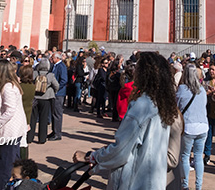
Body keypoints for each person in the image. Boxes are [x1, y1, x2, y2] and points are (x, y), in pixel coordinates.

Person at [73, 52, 176, 190]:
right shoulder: (162, 104)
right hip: (154, 180)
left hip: (134, 182)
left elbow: (121, 150)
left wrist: (92, 156)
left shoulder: (142, 106)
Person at [0, 59, 28, 190]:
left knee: (5, 167)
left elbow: (10, 110)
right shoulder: (10, 85)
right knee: (13, 165)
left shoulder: (8, 87)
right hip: (13, 131)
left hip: (10, 132)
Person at [176, 64, 208, 190]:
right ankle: (198, 186)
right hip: (203, 126)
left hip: (188, 126)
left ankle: (185, 186)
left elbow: (176, 106)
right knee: (199, 156)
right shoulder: (202, 89)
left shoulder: (182, 89)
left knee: (185, 156)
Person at [28, 57, 58, 145]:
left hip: (35, 98)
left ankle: (29, 137)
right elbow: (57, 85)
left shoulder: (34, 73)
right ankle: (42, 138)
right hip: (46, 99)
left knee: (32, 118)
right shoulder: (50, 75)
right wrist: (52, 92)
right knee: (43, 119)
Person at [18, 64, 36, 160]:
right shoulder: (32, 87)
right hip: (28, 114)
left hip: (19, 114)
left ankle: (20, 160)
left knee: (19, 140)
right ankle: (24, 160)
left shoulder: (19, 87)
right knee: (23, 140)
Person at [49, 51, 68, 140]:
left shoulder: (61, 66)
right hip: (54, 93)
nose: (51, 60)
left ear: (57, 58)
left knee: (57, 113)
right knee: (53, 113)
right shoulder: (54, 66)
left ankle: (57, 133)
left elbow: (64, 80)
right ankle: (54, 131)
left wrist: (57, 88)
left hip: (58, 93)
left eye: (53, 58)